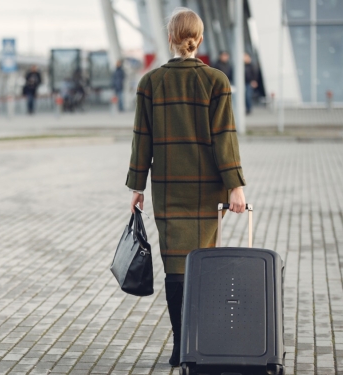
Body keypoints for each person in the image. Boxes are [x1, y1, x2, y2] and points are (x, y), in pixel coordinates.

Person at [126, 7, 246, 367]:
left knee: (175, 268)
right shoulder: (216, 80)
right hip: (207, 189)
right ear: (200, 38)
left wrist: (137, 185)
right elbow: (225, 139)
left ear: (170, 38)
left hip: (167, 188)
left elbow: (140, 140)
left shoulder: (150, 82)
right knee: (202, 265)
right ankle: (198, 344)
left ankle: (181, 346)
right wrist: (235, 187)